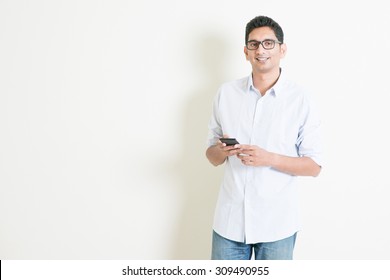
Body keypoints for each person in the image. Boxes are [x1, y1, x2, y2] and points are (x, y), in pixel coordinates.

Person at [206, 15, 322, 260]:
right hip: (229, 223)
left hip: (277, 225)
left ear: (282, 49)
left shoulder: (301, 99)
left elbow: (313, 166)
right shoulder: (226, 94)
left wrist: (268, 158)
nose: (260, 50)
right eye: (253, 44)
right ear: (246, 52)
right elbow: (212, 156)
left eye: (268, 43)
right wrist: (221, 151)